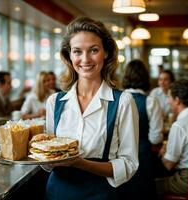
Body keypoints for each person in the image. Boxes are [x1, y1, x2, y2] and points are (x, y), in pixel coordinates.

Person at [44, 17, 139, 200]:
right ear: (69, 56)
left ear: (106, 53)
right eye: (77, 51)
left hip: (99, 193)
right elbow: (47, 163)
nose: (85, 59)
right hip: (57, 192)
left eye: (94, 50)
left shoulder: (123, 101)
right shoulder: (54, 102)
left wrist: (81, 163)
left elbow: (128, 164)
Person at [119, 59, 164, 200]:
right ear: (146, 77)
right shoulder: (150, 101)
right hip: (142, 157)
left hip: (118, 158)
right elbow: (155, 138)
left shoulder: (117, 99)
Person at [156, 79, 188, 197]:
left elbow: (168, 165)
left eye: (169, 97)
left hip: (187, 180)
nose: (168, 101)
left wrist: (164, 152)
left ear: (177, 100)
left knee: (146, 185)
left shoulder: (180, 125)